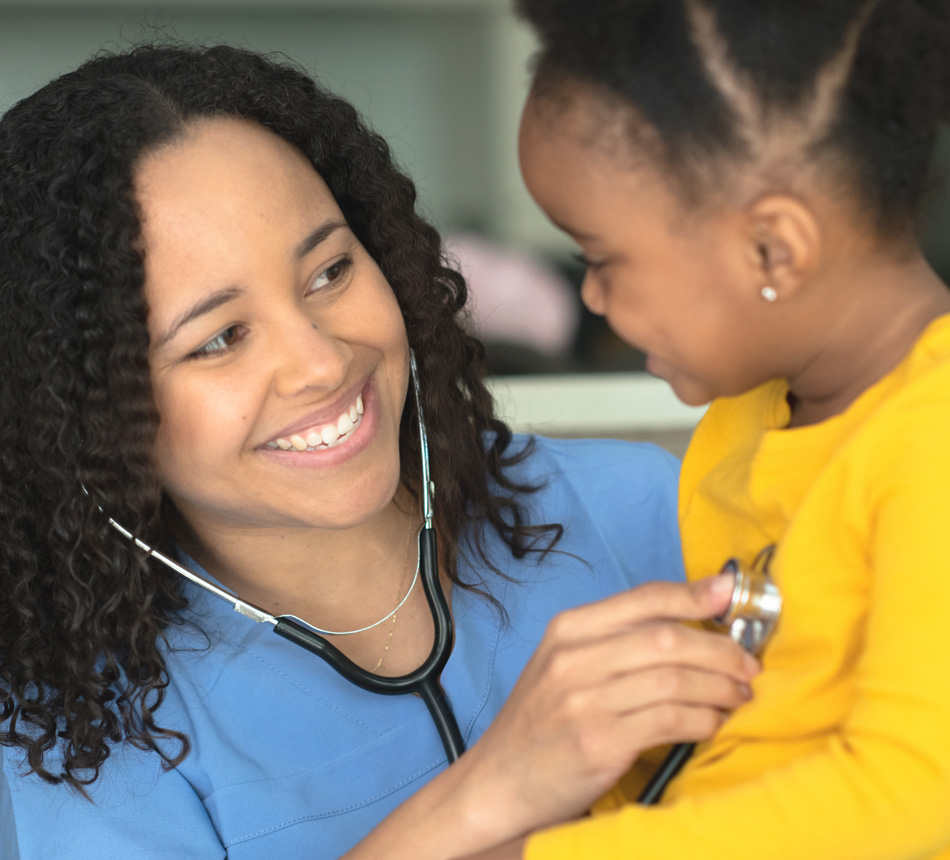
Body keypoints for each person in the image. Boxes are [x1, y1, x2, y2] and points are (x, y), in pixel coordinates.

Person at [0, 44, 758, 860]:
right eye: (220, 338)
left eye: (329, 272)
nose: (324, 361)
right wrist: (487, 794)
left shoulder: (655, 514)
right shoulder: (76, 725)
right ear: (83, 416)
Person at [480, 0, 950, 858]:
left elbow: (915, 797)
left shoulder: (934, 445)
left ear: (773, 250)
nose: (591, 301)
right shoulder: (749, 416)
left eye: (601, 259)